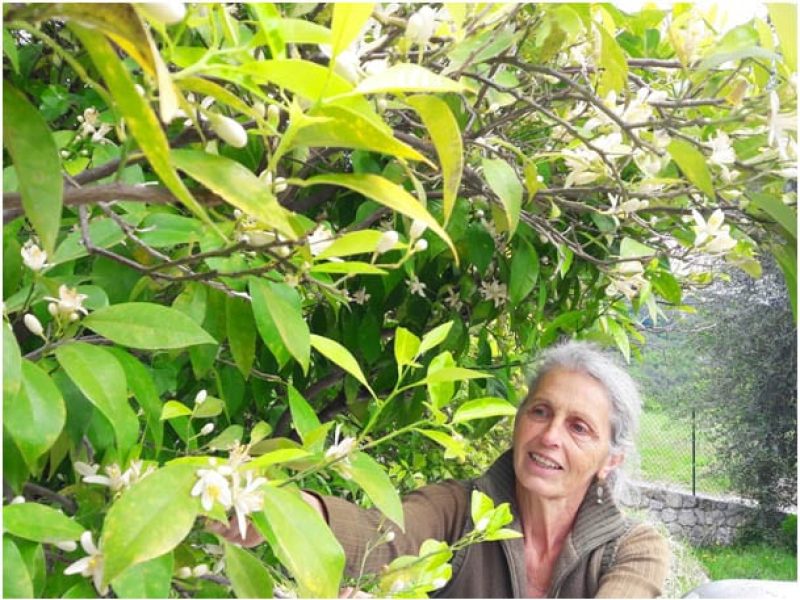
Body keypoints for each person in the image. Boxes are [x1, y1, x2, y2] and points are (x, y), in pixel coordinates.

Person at [221, 340, 671, 598]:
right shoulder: (460, 509)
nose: (550, 436)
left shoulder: (633, 550)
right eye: (539, 412)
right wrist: (289, 508)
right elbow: (383, 535)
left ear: (610, 461)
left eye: (579, 428)